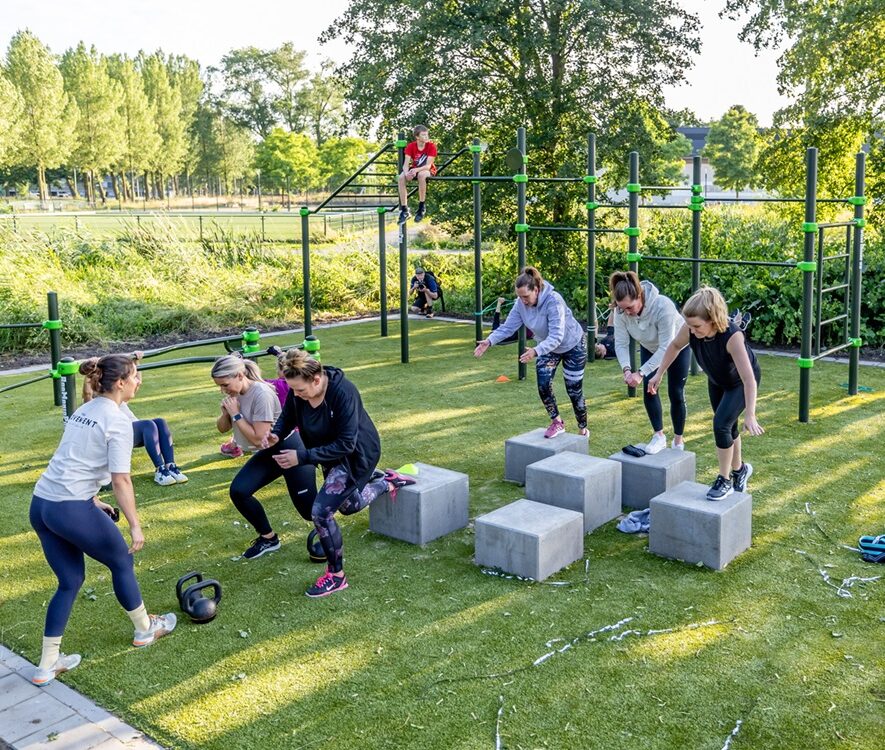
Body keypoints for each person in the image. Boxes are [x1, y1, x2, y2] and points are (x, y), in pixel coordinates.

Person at [29, 354, 176, 686]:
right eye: (136, 376)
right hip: (68, 508)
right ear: (121, 382)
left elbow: (72, 461)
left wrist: (94, 499)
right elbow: (121, 479)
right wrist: (135, 525)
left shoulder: (86, 409)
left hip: (42, 504)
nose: (140, 381)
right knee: (121, 562)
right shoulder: (117, 421)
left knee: (69, 582)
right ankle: (144, 630)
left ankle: (47, 665)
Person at [258, 349, 414, 597]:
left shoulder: (343, 392)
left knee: (321, 512)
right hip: (327, 452)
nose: (296, 395)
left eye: (300, 390)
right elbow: (288, 415)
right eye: (294, 391)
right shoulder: (299, 391)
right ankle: (387, 483)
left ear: (316, 380)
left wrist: (301, 457)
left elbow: (346, 444)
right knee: (349, 506)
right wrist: (276, 432)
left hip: (356, 455)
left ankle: (336, 576)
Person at [648, 286, 763, 501]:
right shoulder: (690, 328)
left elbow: (749, 379)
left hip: (740, 383)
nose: (692, 330)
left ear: (712, 319)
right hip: (717, 380)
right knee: (729, 426)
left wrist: (751, 414)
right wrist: (659, 374)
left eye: (697, 326)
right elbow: (674, 346)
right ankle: (740, 471)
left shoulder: (732, 337)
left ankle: (724, 479)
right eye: (689, 325)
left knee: (721, 425)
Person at [474, 266, 588, 438]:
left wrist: (536, 351)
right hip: (546, 347)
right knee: (543, 383)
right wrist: (489, 341)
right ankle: (557, 422)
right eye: (520, 297)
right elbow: (508, 327)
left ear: (536, 289)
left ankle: (582, 427)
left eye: (526, 296)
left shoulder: (553, 301)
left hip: (573, 345)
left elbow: (557, 336)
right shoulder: (520, 304)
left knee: (573, 390)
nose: (523, 301)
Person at [610, 271, 689, 454]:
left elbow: (666, 347)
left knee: (675, 392)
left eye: (630, 307)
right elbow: (621, 343)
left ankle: (678, 441)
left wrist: (641, 372)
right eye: (623, 309)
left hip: (677, 346)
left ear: (639, 296)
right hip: (649, 346)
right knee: (650, 389)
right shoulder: (621, 311)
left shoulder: (663, 306)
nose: (626, 313)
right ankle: (659, 436)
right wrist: (627, 370)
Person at [82, 351, 187, 486]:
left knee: (160, 422)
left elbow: (137, 382)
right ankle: (160, 470)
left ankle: (170, 466)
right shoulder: (97, 401)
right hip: (121, 434)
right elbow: (87, 393)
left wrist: (136, 361)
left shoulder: (119, 397)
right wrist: (88, 373)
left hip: (138, 431)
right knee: (148, 424)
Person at [212, 355, 281, 459]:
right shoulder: (236, 393)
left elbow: (259, 440)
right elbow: (222, 429)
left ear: (240, 376)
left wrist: (236, 414)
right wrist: (225, 414)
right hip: (263, 453)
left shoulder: (262, 394)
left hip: (283, 451)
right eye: (220, 386)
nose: (222, 390)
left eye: (225, 385)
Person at [397, 124, 437, 225]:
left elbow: (428, 166)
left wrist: (415, 170)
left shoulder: (431, 146)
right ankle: (404, 210)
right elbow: (405, 164)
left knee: (422, 175)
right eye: (423, 135)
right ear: (417, 137)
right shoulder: (411, 146)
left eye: (427, 135)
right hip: (415, 169)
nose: (426, 137)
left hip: (426, 170)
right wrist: (406, 173)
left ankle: (421, 206)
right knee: (401, 177)